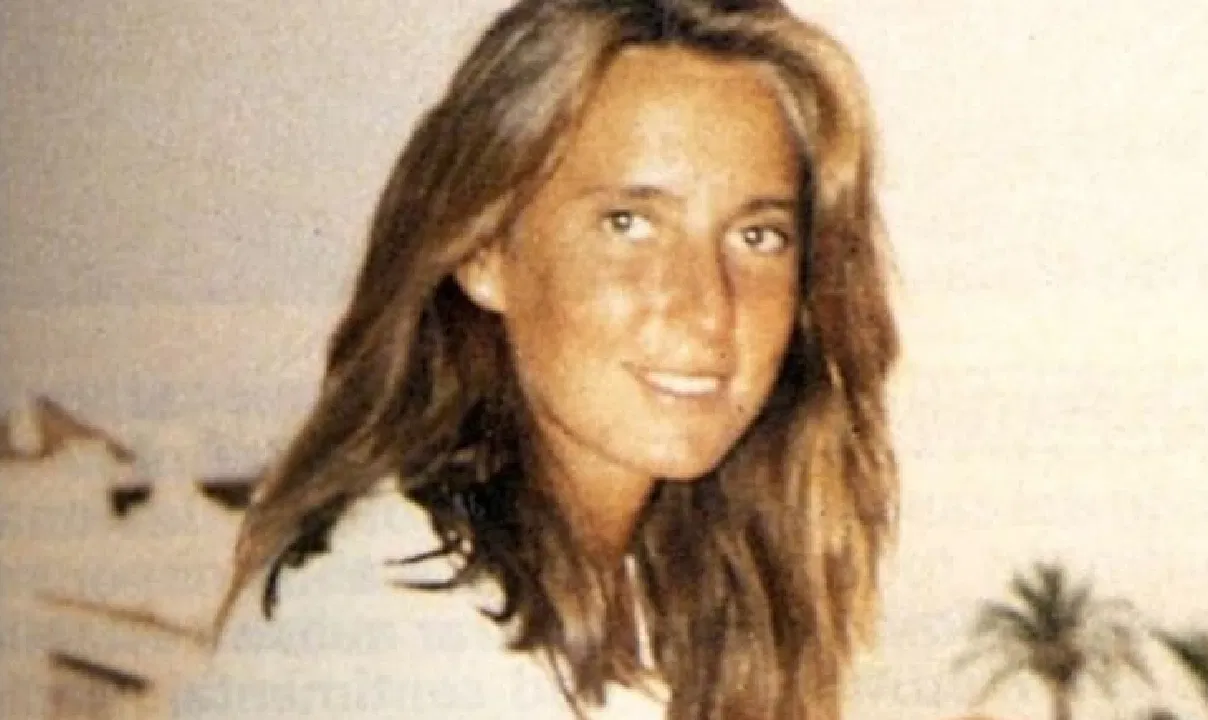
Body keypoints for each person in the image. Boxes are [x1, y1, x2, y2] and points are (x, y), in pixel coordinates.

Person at [173, 0, 900, 718]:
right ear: (484, 250)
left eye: (758, 236)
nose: (707, 306)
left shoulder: (655, 587)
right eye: (629, 224)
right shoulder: (398, 624)